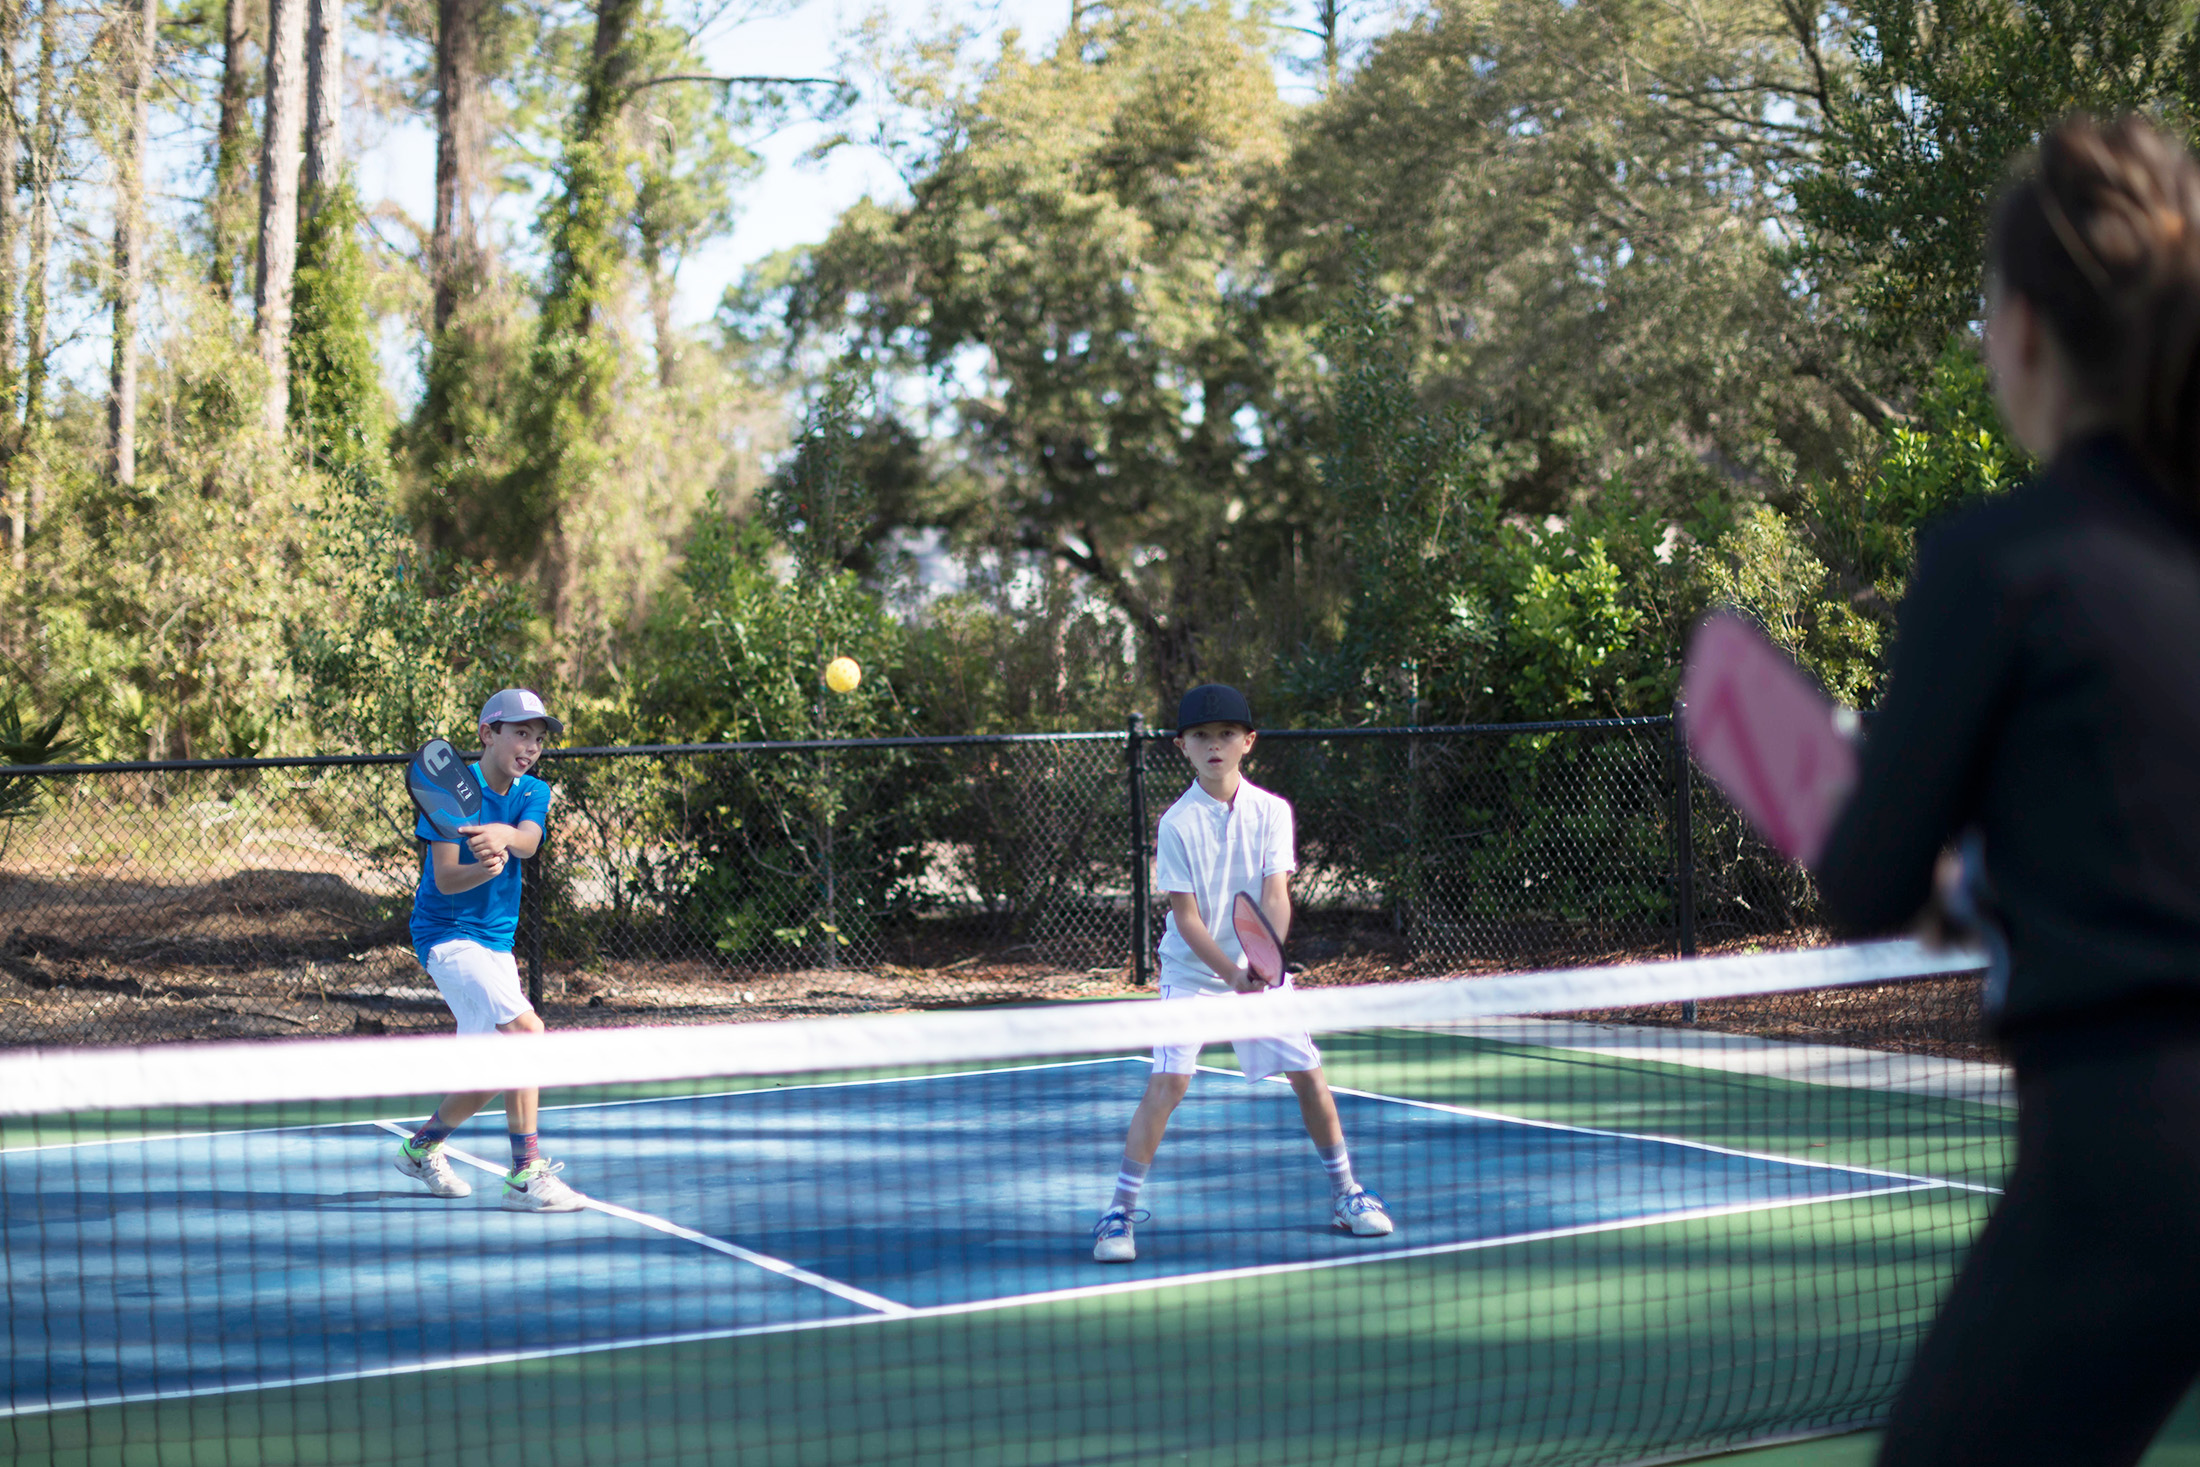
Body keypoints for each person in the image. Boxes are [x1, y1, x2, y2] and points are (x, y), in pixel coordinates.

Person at [1811, 115, 2200, 1466]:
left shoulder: (1999, 561)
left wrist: (1928, 863)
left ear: (2026, 330)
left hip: (2133, 1156)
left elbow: (1866, 875)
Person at [1091, 683, 1394, 1263]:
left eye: (1227, 734)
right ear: (1182, 746)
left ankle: (1346, 1193)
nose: (1215, 745)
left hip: (1259, 972)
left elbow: (1276, 895)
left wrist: (1265, 960)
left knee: (1309, 1073)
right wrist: (1231, 973)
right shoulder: (1175, 824)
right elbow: (1185, 919)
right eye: (1201, 736)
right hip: (1193, 972)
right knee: (1169, 1084)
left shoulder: (1272, 811)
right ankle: (1118, 1215)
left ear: (1248, 743)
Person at [393, 688, 585, 1213]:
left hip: (497, 943)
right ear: (488, 734)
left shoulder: (532, 792)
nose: (531, 746)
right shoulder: (447, 795)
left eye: (539, 738)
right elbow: (450, 878)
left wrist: (500, 838)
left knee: (495, 1066)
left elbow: (528, 841)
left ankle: (420, 1148)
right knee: (528, 1034)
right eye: (520, 733)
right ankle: (526, 1174)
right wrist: (485, 866)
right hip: (448, 937)